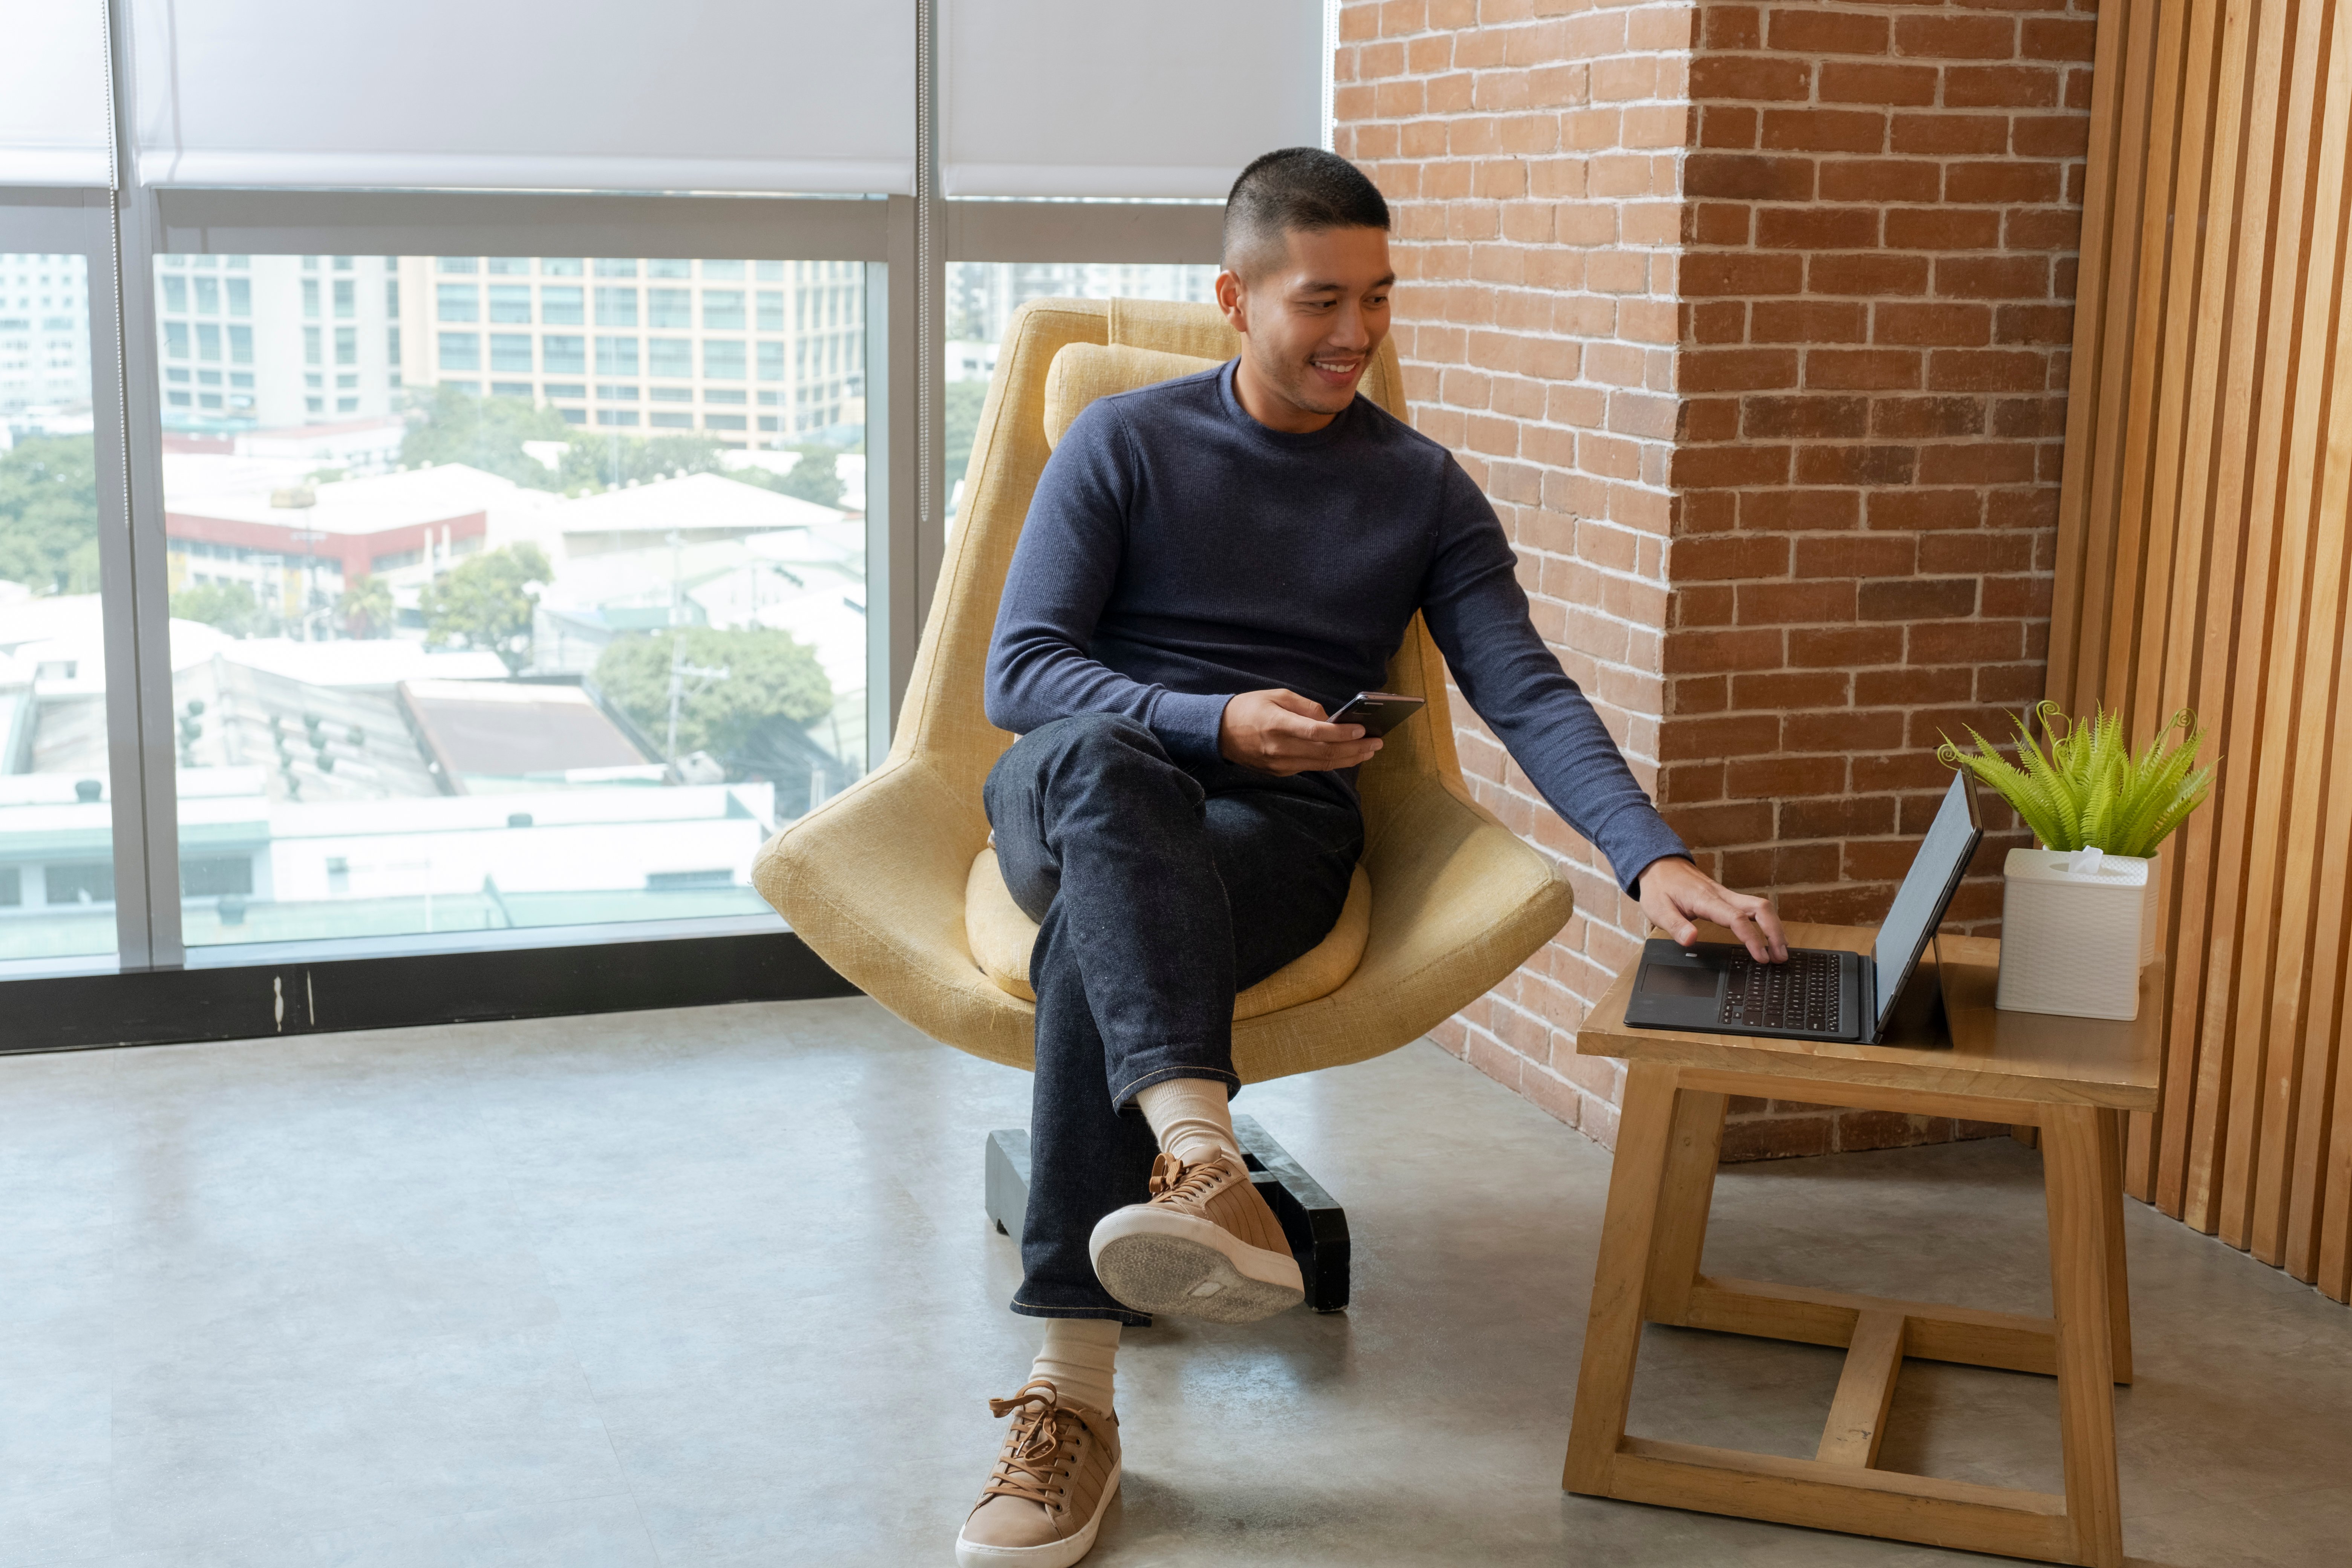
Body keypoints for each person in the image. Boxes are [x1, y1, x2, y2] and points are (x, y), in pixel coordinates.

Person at [954, 148, 1788, 1568]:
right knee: (1107, 780)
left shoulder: (1421, 490)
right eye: (1321, 301)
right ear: (1235, 296)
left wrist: (1651, 861)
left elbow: (1524, 685)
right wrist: (1210, 716)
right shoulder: (1126, 443)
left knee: (1104, 934)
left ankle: (1070, 1397)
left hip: (1271, 841)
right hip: (1085, 785)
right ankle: (1204, 1156)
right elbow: (1023, 673)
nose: (1357, 335)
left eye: (1381, 300)